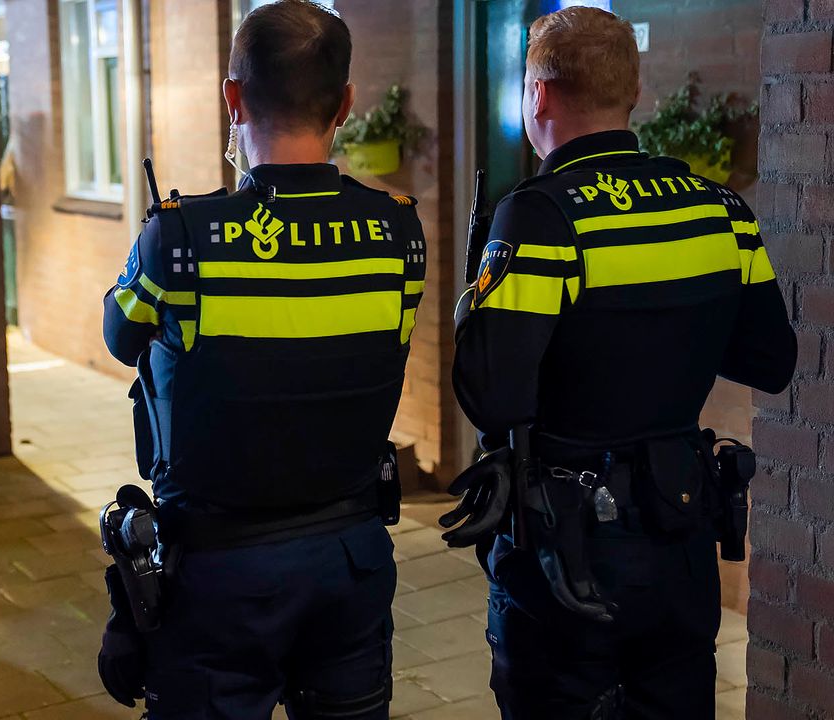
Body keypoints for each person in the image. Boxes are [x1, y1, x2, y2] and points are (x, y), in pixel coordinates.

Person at [450, 8, 797, 719]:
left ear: (538, 95)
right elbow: (771, 358)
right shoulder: (720, 210)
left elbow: (492, 395)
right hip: (682, 529)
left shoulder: (543, 215)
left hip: (567, 554)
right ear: (632, 93)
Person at [99, 2, 427, 717]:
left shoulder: (181, 238)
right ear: (344, 103)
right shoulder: (399, 233)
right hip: (352, 559)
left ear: (232, 99)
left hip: (221, 575)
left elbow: (118, 334)